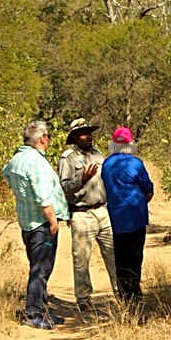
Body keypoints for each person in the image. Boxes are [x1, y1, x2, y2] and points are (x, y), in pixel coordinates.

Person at [2, 120, 69, 330]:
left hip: (27, 222)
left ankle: (43, 309)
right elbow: (42, 196)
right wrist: (52, 220)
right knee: (41, 269)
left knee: (37, 267)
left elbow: (7, 174)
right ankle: (34, 313)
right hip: (41, 223)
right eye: (47, 136)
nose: (48, 139)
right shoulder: (36, 162)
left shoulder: (16, 159)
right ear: (42, 139)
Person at [58, 117, 118, 309]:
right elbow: (63, 187)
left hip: (102, 211)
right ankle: (84, 300)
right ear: (75, 136)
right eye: (84, 133)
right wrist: (80, 179)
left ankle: (122, 294)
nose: (88, 136)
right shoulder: (67, 158)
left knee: (114, 256)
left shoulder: (98, 155)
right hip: (81, 214)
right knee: (81, 259)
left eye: (89, 132)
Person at [101, 126, 154, 305]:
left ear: (112, 144)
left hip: (116, 218)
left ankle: (125, 297)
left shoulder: (107, 164)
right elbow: (148, 189)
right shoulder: (136, 163)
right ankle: (135, 293)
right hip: (136, 217)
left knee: (121, 259)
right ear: (131, 144)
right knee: (135, 257)